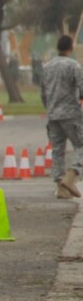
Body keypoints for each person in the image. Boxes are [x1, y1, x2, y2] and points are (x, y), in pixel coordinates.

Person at [40, 34, 83, 198]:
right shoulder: (73, 66)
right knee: (81, 145)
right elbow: (82, 87)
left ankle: (61, 187)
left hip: (52, 114)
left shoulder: (47, 67)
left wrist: (49, 108)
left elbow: (43, 93)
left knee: (57, 150)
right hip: (70, 113)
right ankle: (71, 176)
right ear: (71, 48)